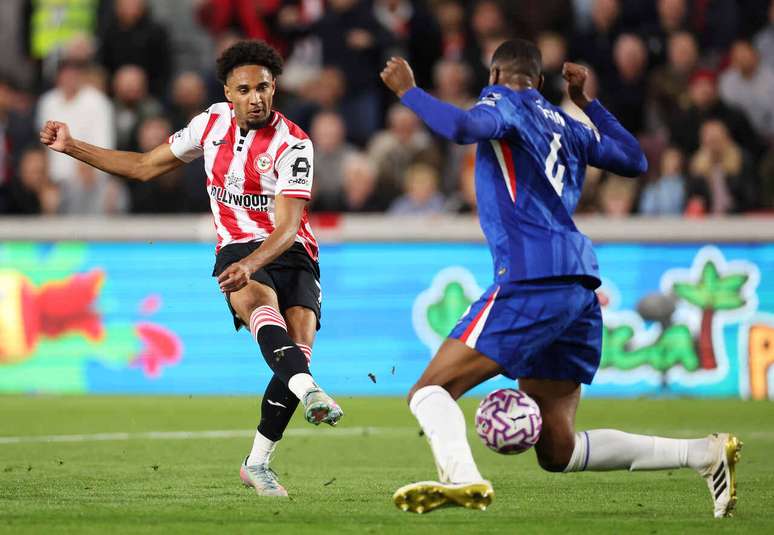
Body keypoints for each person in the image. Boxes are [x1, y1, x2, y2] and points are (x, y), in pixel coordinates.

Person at [380, 39, 741, 517]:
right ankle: (704, 454)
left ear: (493, 77)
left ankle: (463, 478)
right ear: (543, 83)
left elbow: (464, 127)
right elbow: (634, 160)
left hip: (531, 278)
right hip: (578, 285)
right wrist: (589, 103)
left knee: (429, 391)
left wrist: (410, 92)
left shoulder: (501, 105)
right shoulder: (568, 123)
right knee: (558, 449)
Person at [39, 39, 343, 497]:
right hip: (236, 246)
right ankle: (311, 391)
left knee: (298, 345)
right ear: (227, 92)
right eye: (244, 89)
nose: (255, 97)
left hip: (291, 252)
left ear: (275, 87)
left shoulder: (294, 144)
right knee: (261, 309)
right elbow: (143, 166)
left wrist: (253, 264)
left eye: (263, 87)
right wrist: (71, 146)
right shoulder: (210, 125)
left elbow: (288, 227)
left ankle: (257, 463)